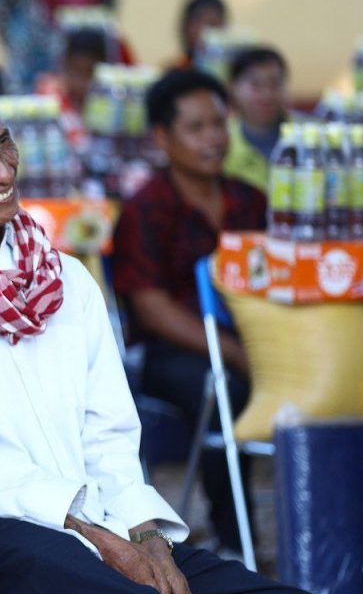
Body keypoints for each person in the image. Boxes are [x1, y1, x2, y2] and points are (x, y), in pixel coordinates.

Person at [0, 67, 331, 594]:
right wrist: (94, 535)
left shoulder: (65, 277)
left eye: (4, 144)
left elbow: (110, 433)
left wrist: (147, 534)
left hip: (98, 518)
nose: (2, 171)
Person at [112, 69, 267, 557]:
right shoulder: (146, 208)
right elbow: (150, 306)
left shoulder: (251, 200)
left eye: (219, 124)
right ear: (162, 137)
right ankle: (235, 539)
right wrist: (232, 352)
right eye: (196, 128)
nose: (213, 138)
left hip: (252, 342)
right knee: (222, 389)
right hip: (171, 353)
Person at [224, 47, 290, 192]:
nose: (267, 94)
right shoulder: (222, 142)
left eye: (275, 83)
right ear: (233, 87)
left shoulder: (311, 136)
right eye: (256, 85)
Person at [174, 0, 228, 70]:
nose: (206, 33)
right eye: (199, 22)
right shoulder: (178, 69)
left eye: (213, 23)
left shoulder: (238, 68)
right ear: (186, 28)